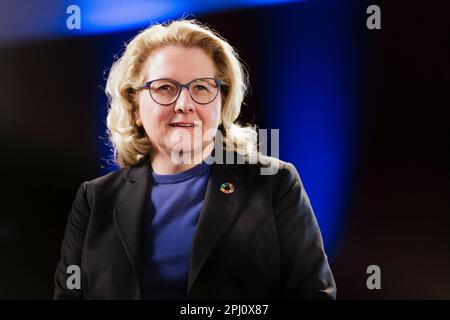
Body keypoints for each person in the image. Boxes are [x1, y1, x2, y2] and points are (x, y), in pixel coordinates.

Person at [53, 19, 336, 300]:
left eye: (201, 87)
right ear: (135, 106)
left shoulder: (275, 183)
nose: (184, 104)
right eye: (165, 88)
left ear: (221, 102)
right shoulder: (94, 199)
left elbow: (314, 294)